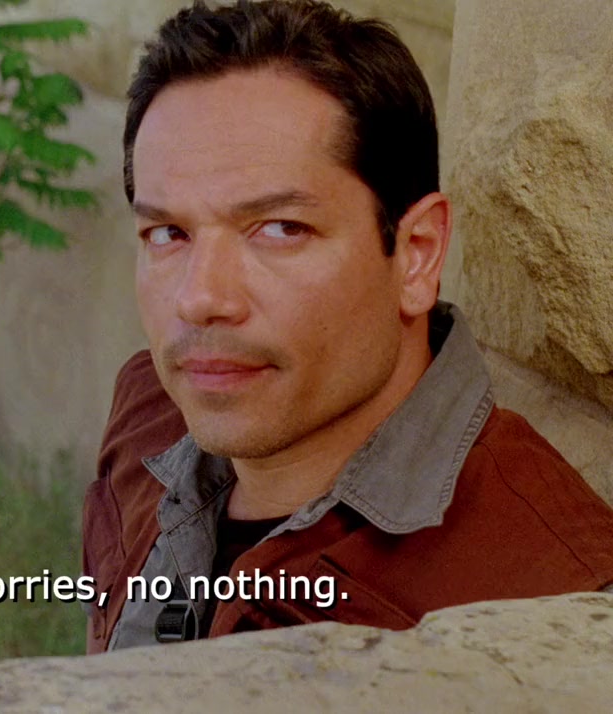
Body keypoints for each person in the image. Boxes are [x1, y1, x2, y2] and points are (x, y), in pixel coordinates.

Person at [82, 0, 613, 653]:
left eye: (281, 229)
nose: (199, 299)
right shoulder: (150, 409)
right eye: (168, 233)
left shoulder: (552, 608)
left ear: (416, 254)